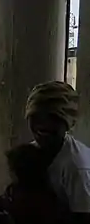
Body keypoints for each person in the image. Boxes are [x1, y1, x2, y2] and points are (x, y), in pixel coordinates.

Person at [25, 81, 90, 223]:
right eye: (36, 115)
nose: (43, 124)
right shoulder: (32, 152)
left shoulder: (77, 168)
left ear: (68, 123)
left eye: (53, 117)